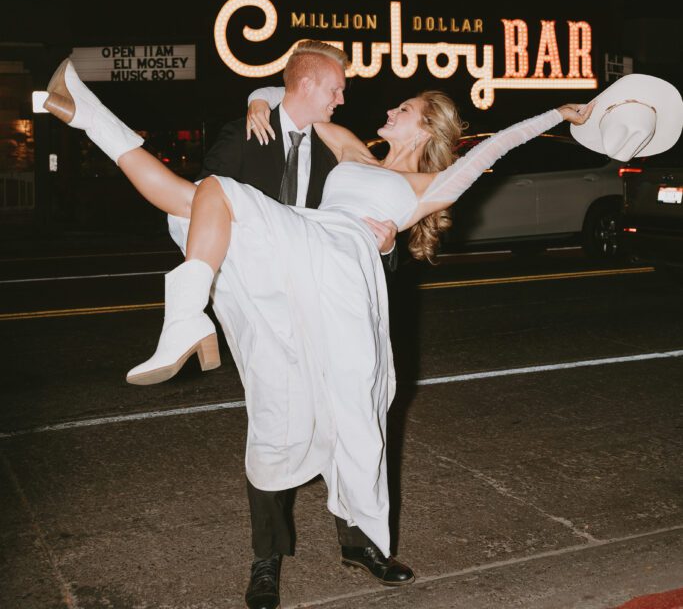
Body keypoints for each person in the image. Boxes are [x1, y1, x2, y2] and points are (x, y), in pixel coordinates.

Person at [41, 51, 592, 609]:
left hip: (345, 278)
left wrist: (556, 115)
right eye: (344, 90)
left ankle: (364, 542)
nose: (377, 106)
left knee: (354, 410)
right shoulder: (352, 149)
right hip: (295, 248)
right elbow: (298, 98)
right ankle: (181, 305)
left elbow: (498, 147)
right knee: (210, 193)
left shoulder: (432, 183)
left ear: (425, 125)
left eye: (403, 107)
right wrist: (259, 97)